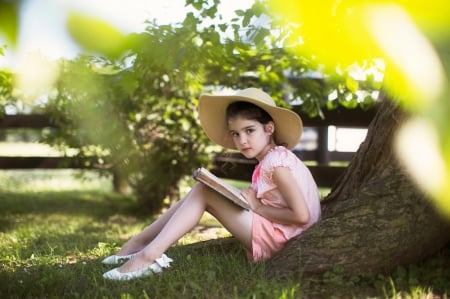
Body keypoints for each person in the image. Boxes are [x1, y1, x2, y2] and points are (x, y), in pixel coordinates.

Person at [102, 87, 321, 280]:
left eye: (249, 131)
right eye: (235, 134)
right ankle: (138, 245)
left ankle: (147, 257)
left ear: (269, 128)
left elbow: (302, 216)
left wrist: (256, 207)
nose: (241, 140)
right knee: (201, 190)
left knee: (203, 192)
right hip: (278, 233)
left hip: (284, 240)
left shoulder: (278, 163)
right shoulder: (270, 160)